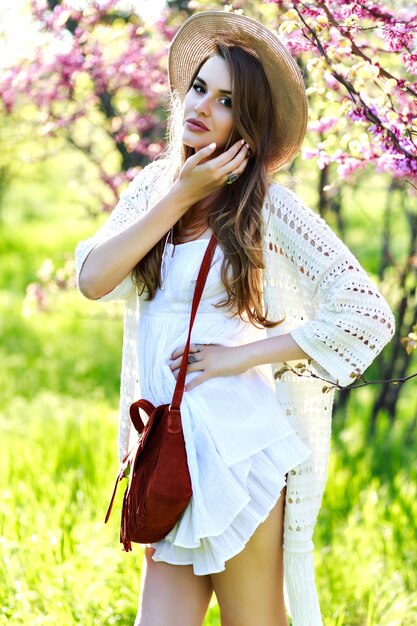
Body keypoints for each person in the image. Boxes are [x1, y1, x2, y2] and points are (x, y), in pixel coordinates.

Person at [75, 11, 395, 626]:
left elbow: (366, 311)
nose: (203, 107)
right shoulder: (155, 187)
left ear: (246, 125)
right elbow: (93, 278)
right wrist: (179, 195)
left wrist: (243, 355)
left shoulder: (269, 205)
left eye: (226, 102)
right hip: (169, 454)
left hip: (235, 451)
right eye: (200, 87)